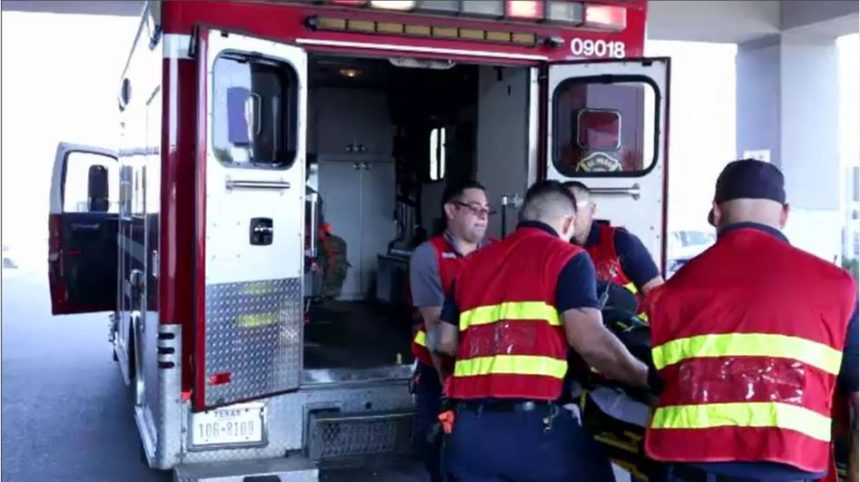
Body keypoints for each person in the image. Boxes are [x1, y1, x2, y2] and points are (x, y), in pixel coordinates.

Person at [645, 159, 859, 482]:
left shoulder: (670, 292)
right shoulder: (838, 286)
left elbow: (659, 384)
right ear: (784, 214)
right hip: (793, 465)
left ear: (716, 212)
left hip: (691, 464)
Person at [435, 180, 652, 482]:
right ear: (567, 223)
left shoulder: (469, 266)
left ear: (522, 216)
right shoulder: (568, 258)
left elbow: (444, 343)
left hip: (467, 431)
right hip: (534, 433)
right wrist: (645, 378)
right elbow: (590, 342)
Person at [408, 180, 493, 482]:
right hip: (440, 371)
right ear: (451, 210)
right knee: (439, 450)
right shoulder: (428, 255)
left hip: (485, 371)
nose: (483, 216)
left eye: (487, 210)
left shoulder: (497, 252)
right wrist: (449, 389)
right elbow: (434, 329)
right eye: (475, 208)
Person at [564, 181, 663, 314]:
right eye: (563, 211)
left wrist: (628, 305)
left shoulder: (621, 242)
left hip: (628, 324)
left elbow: (659, 298)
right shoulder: (555, 248)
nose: (569, 218)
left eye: (575, 209)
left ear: (592, 210)